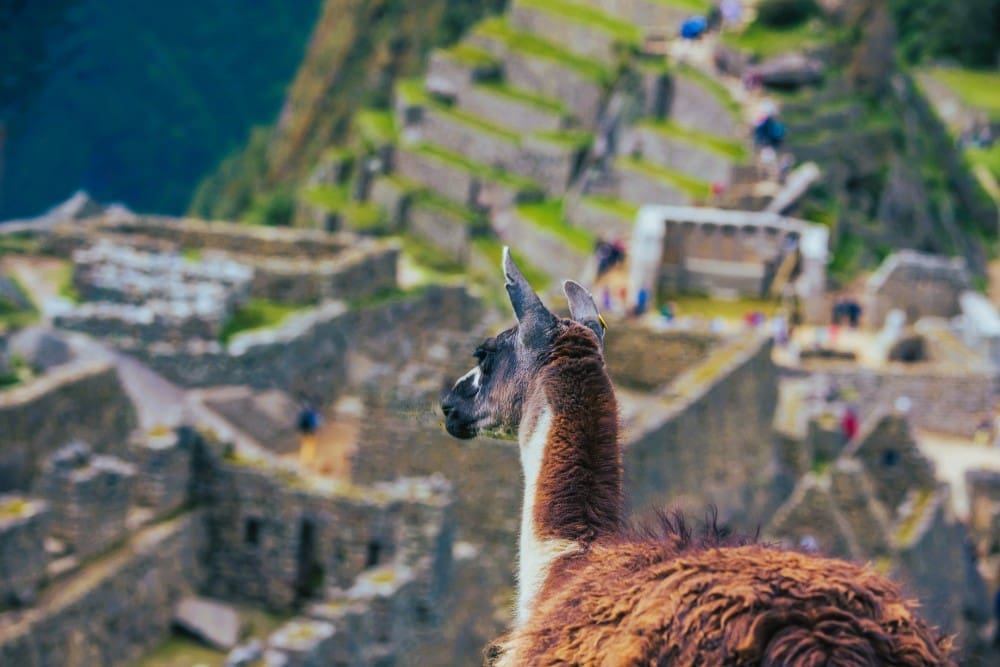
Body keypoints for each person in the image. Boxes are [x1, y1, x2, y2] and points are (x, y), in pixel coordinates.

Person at [297, 402, 321, 467]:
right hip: (311, 432)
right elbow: (317, 423)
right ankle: (309, 459)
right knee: (310, 445)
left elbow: (300, 423)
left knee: (305, 444)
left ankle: (304, 458)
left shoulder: (304, 414)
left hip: (305, 431)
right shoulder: (314, 414)